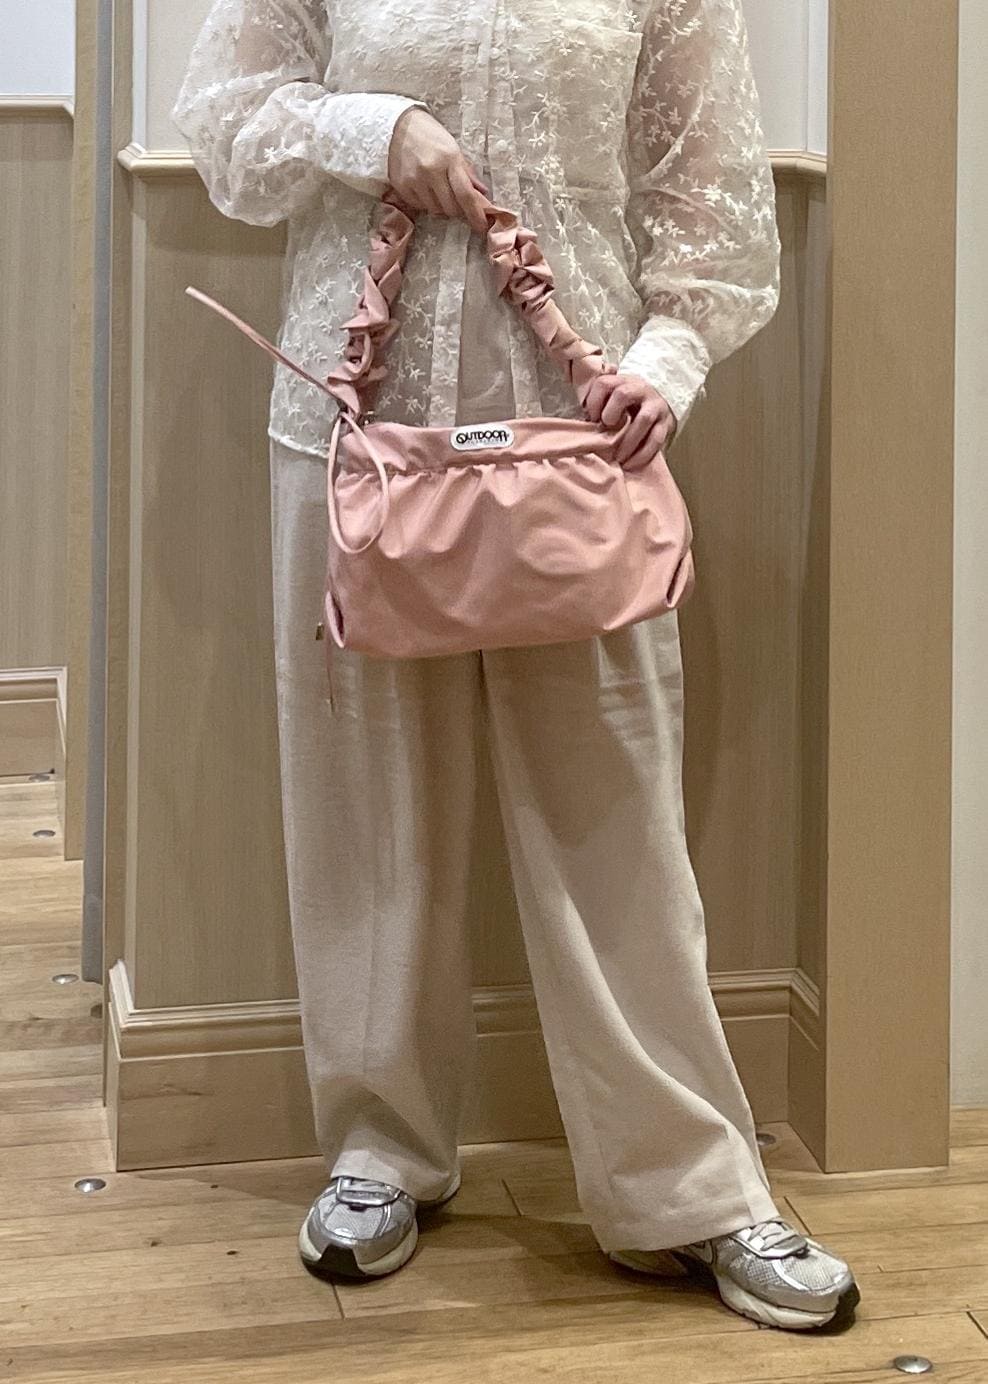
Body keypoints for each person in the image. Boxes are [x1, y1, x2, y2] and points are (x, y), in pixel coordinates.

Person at [172, 0, 859, 1332]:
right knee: (364, 811)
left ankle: (690, 1186)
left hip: (578, 447)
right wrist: (377, 128)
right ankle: (380, 1149)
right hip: (357, 440)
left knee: (619, 823)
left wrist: (667, 361)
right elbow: (225, 129)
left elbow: (709, 190)